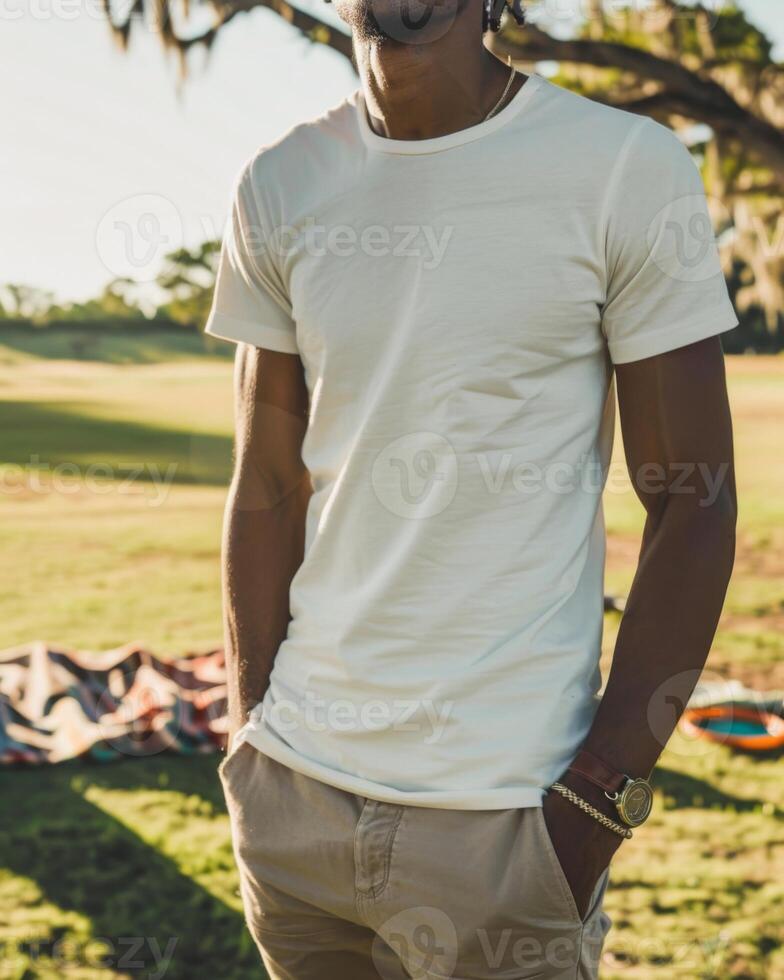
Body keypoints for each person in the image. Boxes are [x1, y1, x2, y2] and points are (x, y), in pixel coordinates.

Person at [205, 0, 737, 974]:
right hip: (294, 799)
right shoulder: (278, 182)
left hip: (503, 820)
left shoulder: (622, 166)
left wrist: (594, 802)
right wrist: (251, 741)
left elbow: (692, 498)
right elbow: (265, 486)